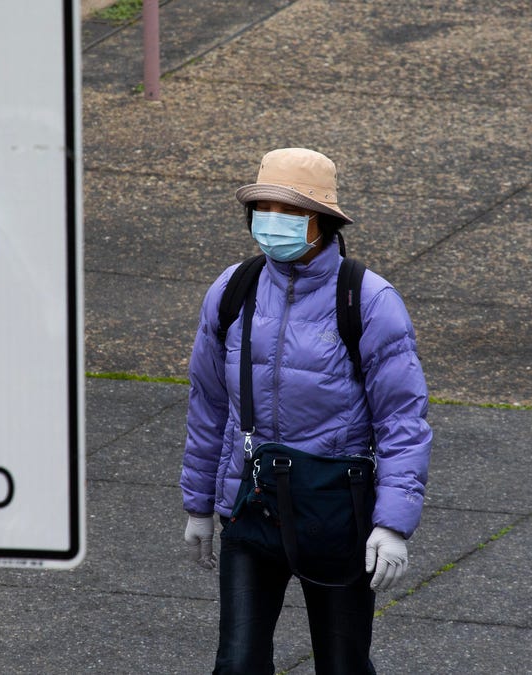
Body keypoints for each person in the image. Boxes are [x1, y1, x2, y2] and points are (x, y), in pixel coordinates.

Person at [179, 148, 432, 674]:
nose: (273, 221)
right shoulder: (233, 290)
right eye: (264, 208)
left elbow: (402, 422)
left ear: (322, 220)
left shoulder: (368, 299)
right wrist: (199, 504)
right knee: (237, 664)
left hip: (336, 513)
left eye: (290, 211)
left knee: (342, 664)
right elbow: (209, 405)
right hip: (251, 505)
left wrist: (393, 524)